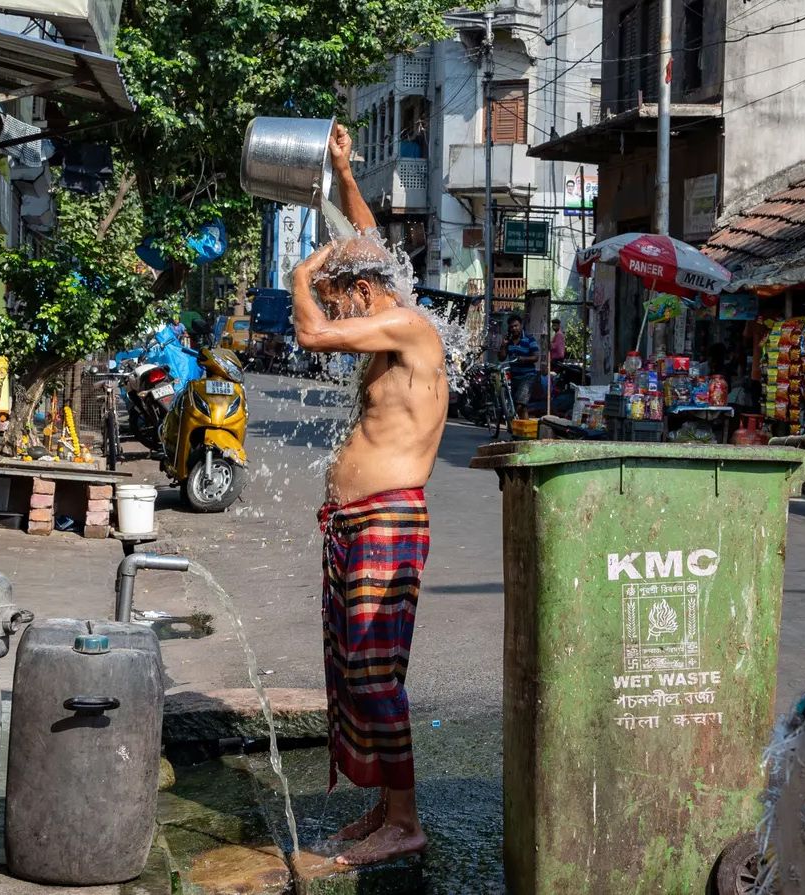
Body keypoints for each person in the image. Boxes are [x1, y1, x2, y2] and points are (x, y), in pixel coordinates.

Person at [290, 123, 448, 868]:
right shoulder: (385, 310)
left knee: (372, 671)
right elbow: (368, 241)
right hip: (355, 522)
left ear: (360, 294)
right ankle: (385, 808)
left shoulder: (410, 327)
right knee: (353, 667)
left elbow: (316, 333)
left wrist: (299, 282)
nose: (341, 311)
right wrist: (345, 172)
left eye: (341, 298)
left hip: (387, 519)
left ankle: (406, 820)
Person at [503, 316, 541, 417]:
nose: (514, 328)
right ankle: (523, 430)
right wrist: (504, 345)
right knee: (523, 407)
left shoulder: (529, 339)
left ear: (521, 326)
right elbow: (501, 358)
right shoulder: (509, 341)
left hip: (528, 376)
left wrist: (523, 359)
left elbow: (536, 357)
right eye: (511, 327)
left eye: (516, 326)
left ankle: (511, 420)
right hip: (514, 377)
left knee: (519, 403)